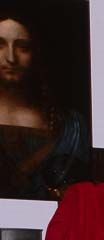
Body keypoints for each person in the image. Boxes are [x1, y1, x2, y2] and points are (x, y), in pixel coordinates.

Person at [0, 10, 87, 199]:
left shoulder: (72, 126)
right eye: (0, 45)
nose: (11, 58)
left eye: (22, 47)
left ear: (36, 52)